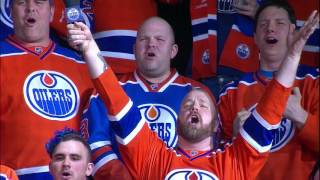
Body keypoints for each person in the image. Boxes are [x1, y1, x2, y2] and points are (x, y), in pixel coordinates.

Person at [67, 7, 319, 179]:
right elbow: (116, 100)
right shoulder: (153, 156)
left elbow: (271, 108)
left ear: (215, 126)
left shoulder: (235, 160)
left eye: (202, 104)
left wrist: (294, 53)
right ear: (177, 122)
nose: (194, 107)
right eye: (187, 105)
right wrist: (90, 48)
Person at [79, 16, 214, 179]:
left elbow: (210, 147)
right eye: (144, 39)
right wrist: (120, 176)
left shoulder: (198, 94)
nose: (151, 44)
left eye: (160, 39)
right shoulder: (108, 89)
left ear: (173, 51)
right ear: (134, 49)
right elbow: (94, 142)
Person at [218, 1, 319, 180]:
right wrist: (235, 138)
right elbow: (215, 161)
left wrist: (300, 115)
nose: (270, 29)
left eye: (279, 23)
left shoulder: (313, 83)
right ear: (255, 37)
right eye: (263, 24)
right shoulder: (231, 93)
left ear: (292, 32)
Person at [0, 0, 95, 179]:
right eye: (21, 2)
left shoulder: (81, 65)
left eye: (39, 2)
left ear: (52, 12)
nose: (31, 8)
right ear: (11, 11)